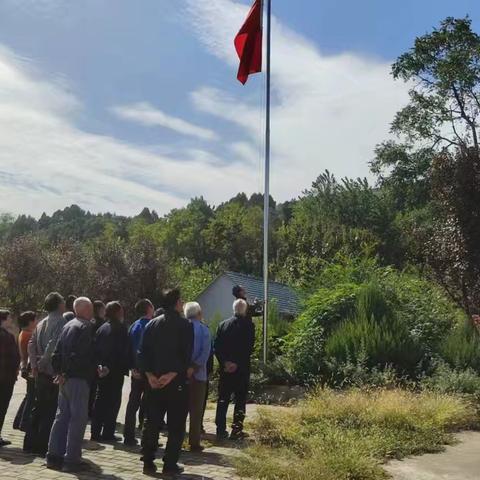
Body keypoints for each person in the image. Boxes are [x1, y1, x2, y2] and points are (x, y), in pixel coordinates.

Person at [138, 288, 193, 475]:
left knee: (152, 421)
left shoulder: (151, 325)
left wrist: (149, 375)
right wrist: (172, 374)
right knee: (176, 425)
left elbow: (142, 353)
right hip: (175, 382)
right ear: (177, 303)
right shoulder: (185, 325)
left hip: (154, 382)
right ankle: (169, 463)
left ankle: (147, 460)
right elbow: (186, 355)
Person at [46, 297, 96, 472]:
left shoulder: (68, 325)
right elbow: (80, 356)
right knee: (78, 419)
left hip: (65, 379)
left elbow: (56, 353)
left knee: (61, 417)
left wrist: (59, 373)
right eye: (90, 308)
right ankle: (72, 459)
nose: (92, 312)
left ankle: (53, 456)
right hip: (78, 378)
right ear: (86, 309)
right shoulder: (86, 327)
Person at [24, 292, 67, 456]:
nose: (65, 304)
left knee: (38, 408)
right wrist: (42, 364)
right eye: (63, 301)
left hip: (40, 373)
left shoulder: (41, 322)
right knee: (50, 411)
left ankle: (29, 443)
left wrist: (34, 366)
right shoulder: (61, 322)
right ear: (58, 304)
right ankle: (42, 446)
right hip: (51, 372)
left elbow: (31, 344)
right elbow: (53, 345)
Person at [214, 298, 255, 440]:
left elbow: (217, 347)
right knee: (240, 400)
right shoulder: (249, 326)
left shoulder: (222, 325)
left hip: (225, 371)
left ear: (233, 309)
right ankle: (236, 430)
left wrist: (225, 363)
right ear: (244, 310)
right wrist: (237, 363)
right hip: (241, 370)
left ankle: (220, 429)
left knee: (223, 399)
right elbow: (248, 348)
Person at [91, 301, 129, 442]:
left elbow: (95, 349)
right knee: (113, 403)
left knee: (100, 401)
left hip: (102, 371)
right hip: (114, 371)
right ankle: (108, 432)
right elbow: (121, 351)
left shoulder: (102, 328)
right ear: (118, 312)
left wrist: (99, 365)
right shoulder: (120, 328)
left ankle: (95, 432)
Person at [123, 298, 155, 446]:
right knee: (149, 404)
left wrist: (132, 367)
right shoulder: (150, 326)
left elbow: (128, 349)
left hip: (136, 371)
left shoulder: (133, 326)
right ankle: (147, 436)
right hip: (147, 371)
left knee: (133, 403)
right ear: (148, 308)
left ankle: (129, 435)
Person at [184, 302, 211, 452]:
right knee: (196, 410)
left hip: (179, 375)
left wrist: (184, 368)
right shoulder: (204, 330)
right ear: (199, 313)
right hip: (199, 376)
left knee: (179, 409)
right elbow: (205, 353)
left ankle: (177, 439)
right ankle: (194, 442)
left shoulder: (179, 328)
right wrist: (193, 368)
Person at [13, 311, 38, 432]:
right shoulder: (28, 334)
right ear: (30, 322)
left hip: (25, 366)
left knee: (29, 396)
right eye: (35, 320)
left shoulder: (23, 333)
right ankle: (24, 422)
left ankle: (19, 420)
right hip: (29, 366)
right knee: (31, 397)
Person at [0, 310, 20, 447]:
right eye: (9, 318)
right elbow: (13, 357)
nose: (11, 321)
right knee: (1, 407)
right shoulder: (6, 336)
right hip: (5, 378)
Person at [88, 300, 106, 417]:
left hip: (88, 358)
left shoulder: (89, 322)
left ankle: (87, 408)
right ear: (100, 310)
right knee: (94, 387)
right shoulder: (101, 324)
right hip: (96, 359)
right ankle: (91, 410)